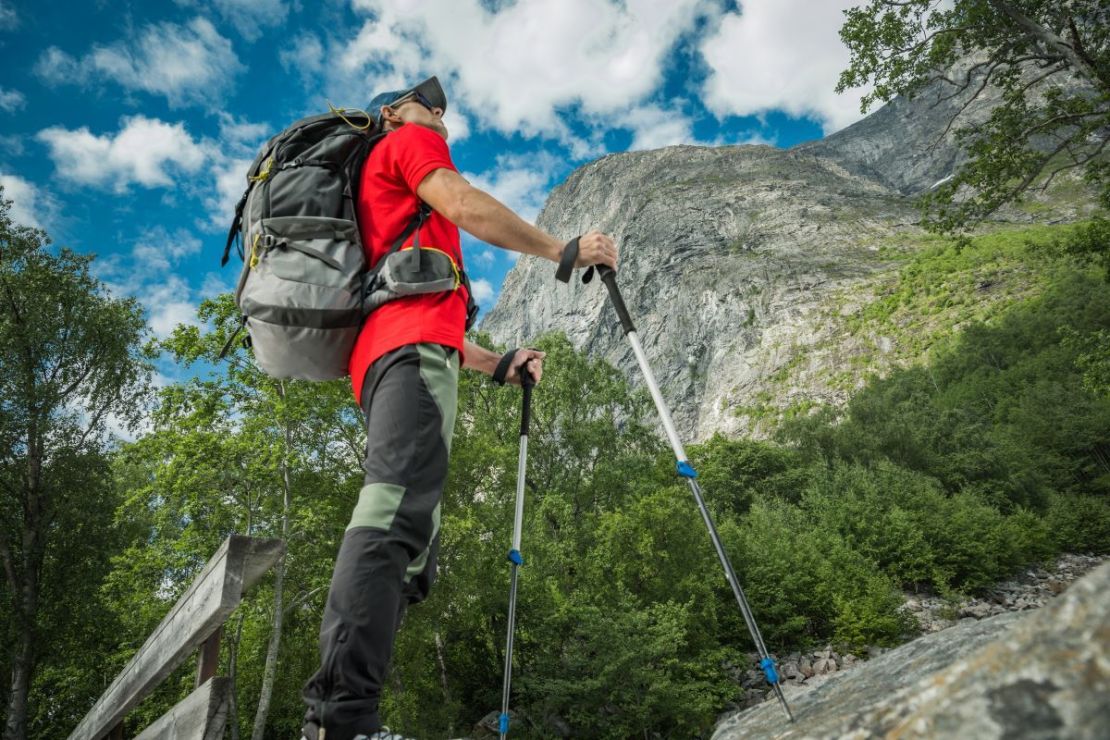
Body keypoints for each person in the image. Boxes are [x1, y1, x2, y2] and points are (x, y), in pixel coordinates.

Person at [300, 76, 618, 740]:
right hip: (409, 357)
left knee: (413, 548)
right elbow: (468, 202)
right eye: (426, 102)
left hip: (395, 355)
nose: (439, 114)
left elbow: (418, 307)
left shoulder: (385, 207)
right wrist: (562, 249)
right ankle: (340, 722)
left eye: (443, 108)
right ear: (391, 112)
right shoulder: (406, 143)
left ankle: (347, 715)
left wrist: (497, 364)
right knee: (392, 515)